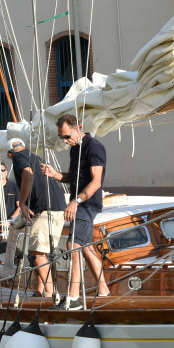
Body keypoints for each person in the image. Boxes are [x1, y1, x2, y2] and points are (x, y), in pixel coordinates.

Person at [44, 114, 110, 309]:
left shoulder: (94, 147)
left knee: (73, 244)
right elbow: (72, 177)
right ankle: (104, 290)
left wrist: (76, 201)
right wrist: (55, 174)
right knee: (86, 247)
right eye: (62, 138)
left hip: (87, 204)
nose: (65, 141)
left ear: (78, 127)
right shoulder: (75, 149)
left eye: (67, 136)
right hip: (79, 203)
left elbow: (96, 182)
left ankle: (74, 298)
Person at [9, 137, 67, 301]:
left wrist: (21, 203)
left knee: (36, 252)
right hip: (58, 207)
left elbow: (28, 175)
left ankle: (51, 294)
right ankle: (40, 290)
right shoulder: (35, 157)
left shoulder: (18, 158)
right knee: (40, 252)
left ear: (10, 154)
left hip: (46, 209)